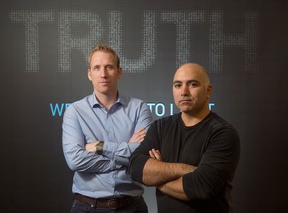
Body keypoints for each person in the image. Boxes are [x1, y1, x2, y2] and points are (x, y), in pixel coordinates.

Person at [130, 63, 241, 213]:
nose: (184, 92)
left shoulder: (223, 133)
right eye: (177, 85)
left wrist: (157, 176)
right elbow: (136, 168)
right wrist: (185, 169)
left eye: (193, 84)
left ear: (208, 91)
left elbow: (201, 187)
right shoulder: (160, 127)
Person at [62, 44, 153, 213]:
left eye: (109, 67)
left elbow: (143, 155)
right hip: (88, 207)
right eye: (97, 68)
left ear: (119, 72)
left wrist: (101, 146)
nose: (103, 74)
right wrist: (124, 159)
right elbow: (75, 160)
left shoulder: (139, 108)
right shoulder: (75, 111)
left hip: (132, 207)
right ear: (90, 74)